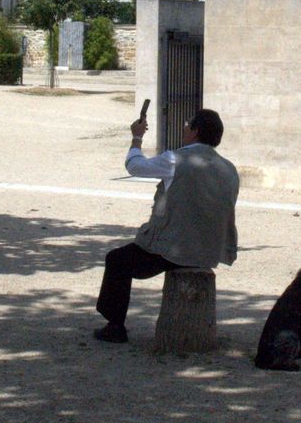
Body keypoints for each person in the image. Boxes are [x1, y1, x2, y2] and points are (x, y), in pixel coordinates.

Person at [94, 108, 239, 344]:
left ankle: (115, 325)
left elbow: (135, 166)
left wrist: (137, 137)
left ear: (195, 131)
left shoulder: (176, 159)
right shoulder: (229, 168)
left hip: (174, 249)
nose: (183, 128)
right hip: (209, 251)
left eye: (187, 124)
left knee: (117, 260)